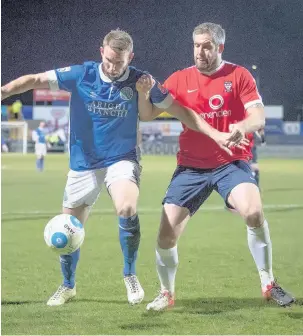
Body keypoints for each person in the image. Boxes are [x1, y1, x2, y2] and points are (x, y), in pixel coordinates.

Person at [1, 29, 243, 307]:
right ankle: (67, 286)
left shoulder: (142, 81)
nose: (114, 67)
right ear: (101, 51)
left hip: (121, 159)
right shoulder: (82, 74)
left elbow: (179, 110)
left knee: (127, 208)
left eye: (120, 62)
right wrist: (4, 91)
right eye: (110, 60)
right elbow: (35, 79)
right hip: (84, 163)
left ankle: (130, 274)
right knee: (69, 227)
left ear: (131, 57)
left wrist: (214, 133)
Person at [141, 23, 295, 311]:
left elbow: (258, 116)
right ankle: (166, 293)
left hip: (230, 162)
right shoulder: (179, 79)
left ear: (220, 47)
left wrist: (242, 126)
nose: (200, 51)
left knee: (253, 211)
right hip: (190, 167)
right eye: (196, 45)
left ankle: (268, 282)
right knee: (165, 235)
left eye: (207, 45)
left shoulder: (238, 75)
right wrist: (143, 92)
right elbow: (148, 113)